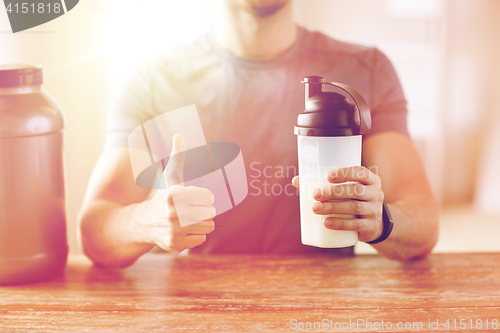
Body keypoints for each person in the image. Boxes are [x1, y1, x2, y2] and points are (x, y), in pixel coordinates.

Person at [78, 0, 439, 267]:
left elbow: (422, 220)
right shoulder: (154, 81)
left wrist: (382, 220)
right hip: (204, 308)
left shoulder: (366, 70)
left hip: (327, 306)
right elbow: (95, 228)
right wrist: (147, 222)